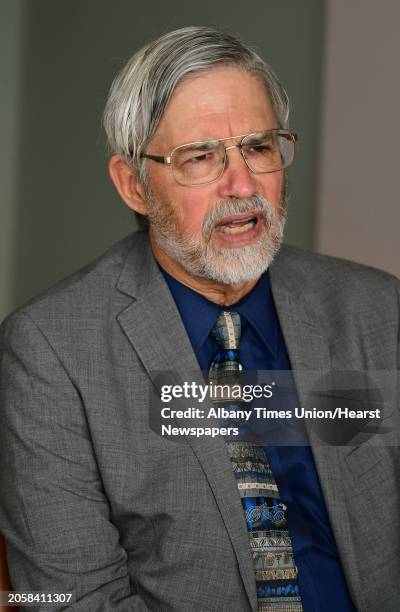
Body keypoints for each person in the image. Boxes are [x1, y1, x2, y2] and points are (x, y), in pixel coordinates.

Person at [0, 26, 399, 612]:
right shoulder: (49, 352)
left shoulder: (377, 311)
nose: (241, 185)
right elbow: (69, 601)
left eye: (259, 147)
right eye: (200, 157)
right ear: (133, 184)